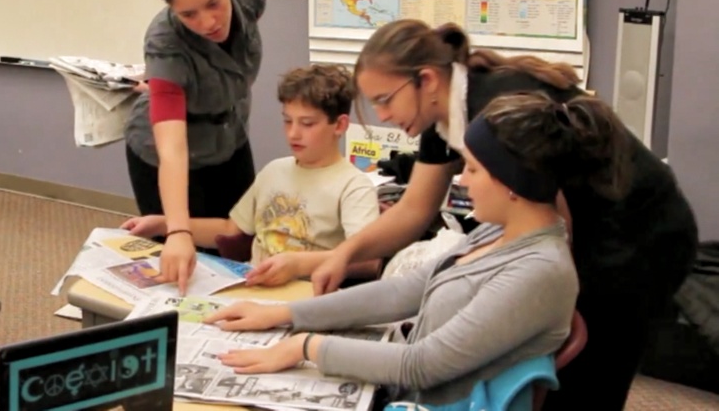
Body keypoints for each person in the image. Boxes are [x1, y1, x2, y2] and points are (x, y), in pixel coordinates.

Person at [310, 19, 699, 410]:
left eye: (384, 99)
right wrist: (345, 254)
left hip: (640, 234)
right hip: (587, 228)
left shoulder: (499, 114)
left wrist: (552, 300)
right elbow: (414, 209)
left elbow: (554, 227)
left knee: (588, 370)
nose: (381, 115)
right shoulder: (441, 115)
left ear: (425, 80)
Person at [203, 92, 587, 406]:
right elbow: (405, 290)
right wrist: (284, 314)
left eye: (472, 169)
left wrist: (304, 346)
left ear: (511, 182)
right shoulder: (495, 232)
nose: (462, 180)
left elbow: (422, 366)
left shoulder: (540, 271)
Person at [122, 65, 381, 287]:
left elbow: (367, 261)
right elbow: (230, 229)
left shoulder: (353, 186)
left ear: (340, 125)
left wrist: (298, 264)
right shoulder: (275, 171)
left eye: (307, 124)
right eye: (287, 121)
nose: (293, 134)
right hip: (252, 283)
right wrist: (164, 224)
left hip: (303, 295)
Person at [124, 0, 268, 294]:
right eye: (189, 15)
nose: (207, 22)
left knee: (240, 246)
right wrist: (179, 230)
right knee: (181, 262)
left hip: (229, 137)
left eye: (214, 4)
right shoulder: (165, 42)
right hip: (166, 151)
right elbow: (172, 149)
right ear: (172, 10)